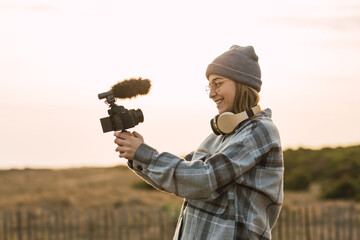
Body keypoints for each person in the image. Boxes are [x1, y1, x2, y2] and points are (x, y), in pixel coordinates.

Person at [114, 45, 283, 240]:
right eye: (209, 86)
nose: (211, 93)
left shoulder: (259, 130)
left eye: (217, 84)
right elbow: (183, 178)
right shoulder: (219, 135)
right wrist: (137, 155)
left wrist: (144, 154)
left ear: (242, 83)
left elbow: (204, 179)